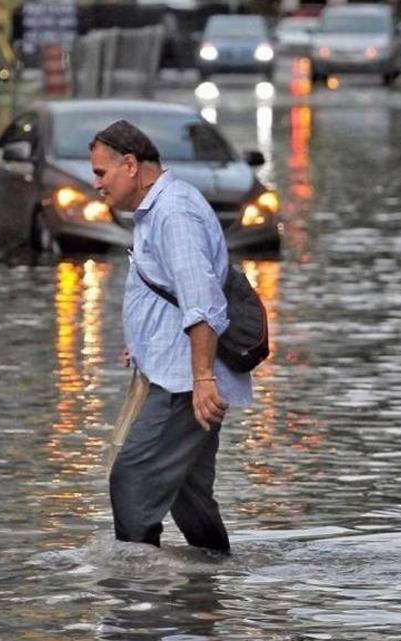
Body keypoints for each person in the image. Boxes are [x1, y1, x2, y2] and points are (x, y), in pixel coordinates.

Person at [89, 120, 251, 555]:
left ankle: (136, 600)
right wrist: (142, 340)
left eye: (101, 173)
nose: (96, 184)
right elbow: (168, 291)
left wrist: (202, 379)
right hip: (178, 372)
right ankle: (214, 580)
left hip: (183, 383)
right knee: (188, 494)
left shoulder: (174, 213)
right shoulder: (158, 210)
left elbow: (202, 302)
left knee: (133, 479)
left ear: (130, 165)